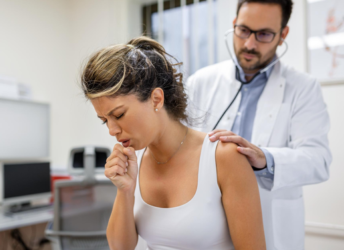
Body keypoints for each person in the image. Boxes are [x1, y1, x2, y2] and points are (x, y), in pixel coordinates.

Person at [80, 36, 266, 250]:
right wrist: (125, 191)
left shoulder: (223, 156)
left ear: (156, 99)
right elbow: (120, 247)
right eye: (105, 121)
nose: (112, 131)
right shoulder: (133, 161)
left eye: (119, 115)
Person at [185, 0, 332, 249]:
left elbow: (319, 160)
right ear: (234, 25)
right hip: (207, 225)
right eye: (243, 31)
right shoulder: (201, 81)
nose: (250, 44)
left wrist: (265, 158)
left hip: (271, 227)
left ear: (283, 34)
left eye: (264, 34)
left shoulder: (303, 88)